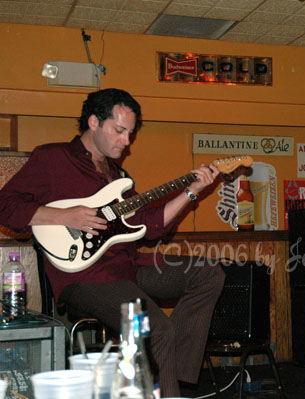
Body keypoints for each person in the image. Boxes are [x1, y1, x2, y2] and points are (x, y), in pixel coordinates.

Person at [0, 88, 226, 397]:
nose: (126, 141)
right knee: (157, 329)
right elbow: (6, 206)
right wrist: (63, 216)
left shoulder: (117, 175)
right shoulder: (53, 158)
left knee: (208, 273)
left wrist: (191, 192)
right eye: (119, 130)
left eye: (130, 133)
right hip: (84, 278)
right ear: (93, 121)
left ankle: (179, 378)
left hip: (126, 268)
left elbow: (151, 226)